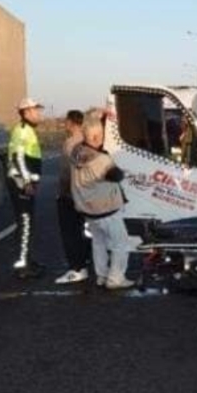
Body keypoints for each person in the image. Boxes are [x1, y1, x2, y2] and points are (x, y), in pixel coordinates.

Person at [70, 111, 134, 289]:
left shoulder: (76, 152)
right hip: (105, 209)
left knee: (98, 243)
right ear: (97, 136)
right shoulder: (101, 159)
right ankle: (115, 279)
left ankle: (101, 275)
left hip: (87, 209)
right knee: (120, 243)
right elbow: (116, 176)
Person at [7, 97, 45, 278]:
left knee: (28, 223)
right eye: (35, 110)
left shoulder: (28, 130)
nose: (39, 113)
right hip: (21, 185)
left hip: (24, 184)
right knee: (25, 224)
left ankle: (27, 260)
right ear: (26, 112)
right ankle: (23, 266)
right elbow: (18, 157)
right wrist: (27, 182)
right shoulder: (22, 131)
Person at [55, 110, 91, 284]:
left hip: (70, 195)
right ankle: (86, 264)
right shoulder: (88, 140)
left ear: (70, 122)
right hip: (86, 194)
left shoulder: (70, 143)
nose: (64, 124)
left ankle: (76, 269)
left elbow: (65, 173)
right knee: (85, 231)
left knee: (70, 233)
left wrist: (62, 193)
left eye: (65, 121)